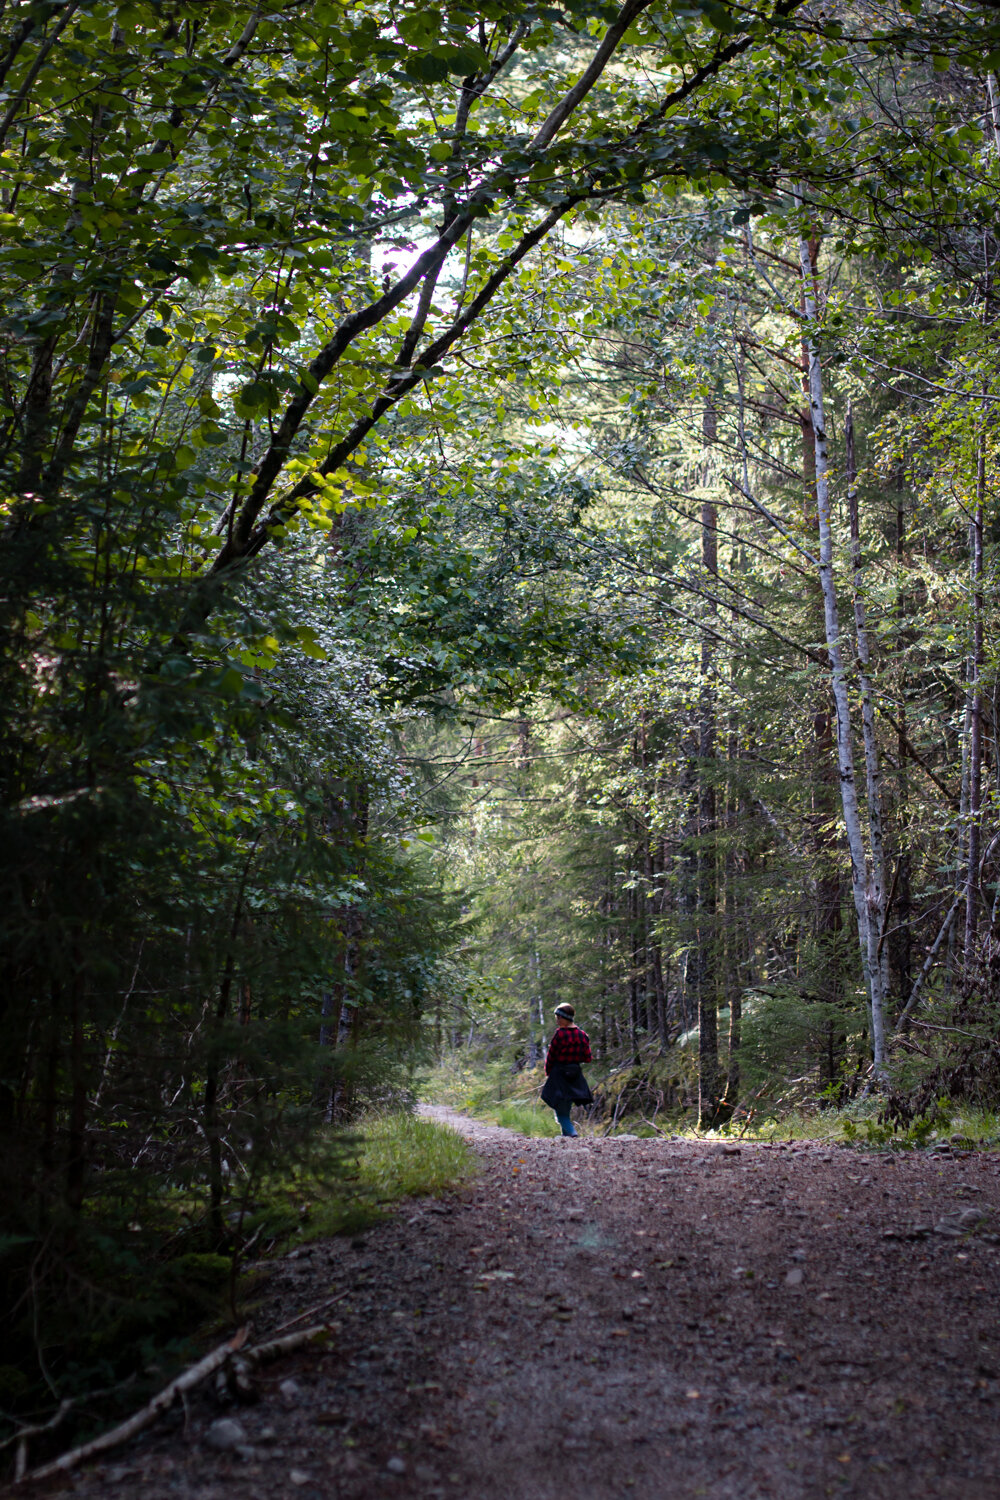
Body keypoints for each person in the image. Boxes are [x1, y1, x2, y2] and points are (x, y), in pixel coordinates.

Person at [540, 1003, 593, 1136]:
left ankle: (572, 1133)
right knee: (565, 1106)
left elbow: (551, 1055)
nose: (557, 1020)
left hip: (559, 1074)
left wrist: (548, 1072)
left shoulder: (560, 1034)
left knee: (560, 1108)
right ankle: (566, 1139)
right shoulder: (582, 1035)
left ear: (566, 1018)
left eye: (559, 1017)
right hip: (575, 1074)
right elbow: (587, 1058)